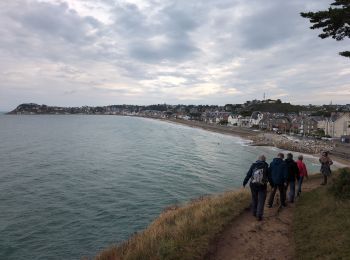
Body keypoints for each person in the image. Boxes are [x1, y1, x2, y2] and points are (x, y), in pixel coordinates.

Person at [243, 155, 269, 221]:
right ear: (264, 160)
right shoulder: (266, 166)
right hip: (262, 186)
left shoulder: (254, 165)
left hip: (253, 185)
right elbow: (269, 177)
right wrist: (272, 183)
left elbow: (248, 174)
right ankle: (259, 216)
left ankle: (254, 213)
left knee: (254, 198)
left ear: (258, 159)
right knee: (261, 200)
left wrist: (244, 182)